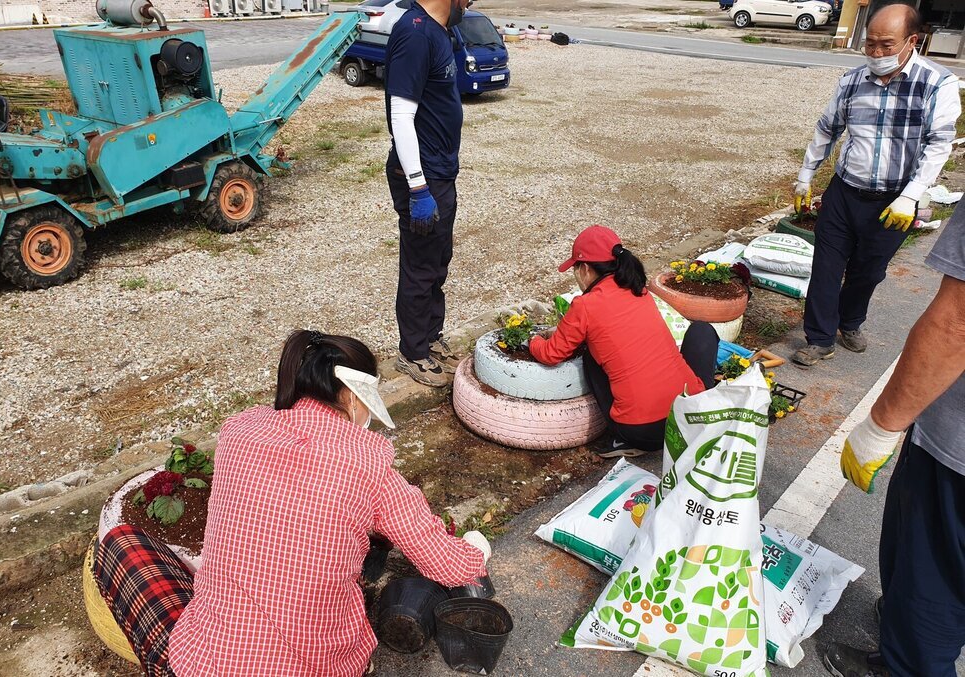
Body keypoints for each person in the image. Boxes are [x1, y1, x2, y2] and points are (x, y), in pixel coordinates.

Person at [93, 330, 491, 676]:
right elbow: (446, 563)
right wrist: (476, 548)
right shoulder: (369, 459)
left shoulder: (239, 430)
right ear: (351, 395)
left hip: (204, 663)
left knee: (121, 542)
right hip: (319, 665)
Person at [822, 200, 965, 676]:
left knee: (934, 565)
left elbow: (956, 323)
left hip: (958, 452)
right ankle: (911, 623)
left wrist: (881, 425)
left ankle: (906, 663)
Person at [791, 3, 960, 367]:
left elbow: (939, 144)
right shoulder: (852, 81)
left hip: (893, 201)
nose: (877, 53)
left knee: (869, 270)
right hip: (844, 192)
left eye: (886, 44)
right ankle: (819, 339)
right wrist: (806, 175)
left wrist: (910, 196)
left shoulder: (936, 83)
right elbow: (828, 129)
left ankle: (850, 322)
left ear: (911, 41)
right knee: (825, 265)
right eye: (870, 44)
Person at [528, 225, 719, 457]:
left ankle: (621, 439)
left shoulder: (585, 305)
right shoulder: (639, 290)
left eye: (575, 269)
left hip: (644, 433)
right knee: (701, 330)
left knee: (590, 352)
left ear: (585, 268)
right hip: (691, 417)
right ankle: (709, 398)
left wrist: (533, 340)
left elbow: (551, 354)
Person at [384, 0, 473, 387]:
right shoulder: (416, 33)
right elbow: (400, 115)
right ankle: (413, 353)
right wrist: (418, 186)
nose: (471, 2)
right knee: (420, 268)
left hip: (441, 172)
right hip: (422, 177)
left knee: (439, 262)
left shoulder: (440, 30)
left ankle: (431, 338)